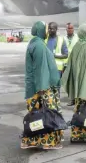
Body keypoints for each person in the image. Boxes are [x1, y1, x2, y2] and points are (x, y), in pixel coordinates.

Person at [21, 21, 63, 150]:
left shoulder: (36, 43)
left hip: (38, 87)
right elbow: (40, 69)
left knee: (35, 116)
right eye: (45, 29)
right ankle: (48, 142)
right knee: (47, 114)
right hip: (41, 88)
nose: (47, 31)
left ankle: (30, 141)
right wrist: (42, 89)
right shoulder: (38, 45)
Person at [64, 23, 79, 106]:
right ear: (66, 29)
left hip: (75, 63)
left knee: (76, 81)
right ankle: (71, 99)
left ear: (73, 29)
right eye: (68, 28)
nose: (70, 30)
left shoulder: (77, 38)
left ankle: (76, 99)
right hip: (66, 63)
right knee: (68, 82)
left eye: (71, 28)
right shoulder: (63, 39)